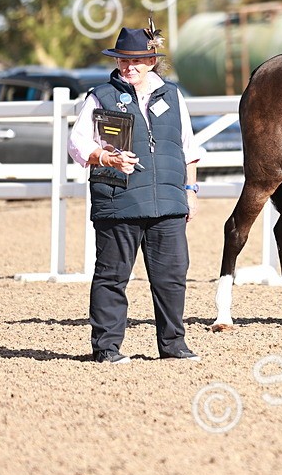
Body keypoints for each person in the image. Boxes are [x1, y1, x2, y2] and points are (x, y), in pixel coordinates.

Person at [68, 23, 204, 362]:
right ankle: (106, 349)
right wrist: (105, 157)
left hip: (169, 201)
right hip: (119, 202)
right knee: (112, 277)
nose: (129, 67)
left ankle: (173, 345)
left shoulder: (172, 95)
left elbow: (189, 147)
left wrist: (190, 190)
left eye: (137, 61)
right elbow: (77, 143)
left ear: (152, 60)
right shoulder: (101, 95)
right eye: (123, 61)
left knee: (172, 278)